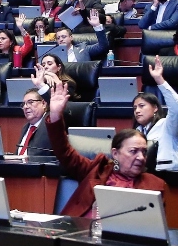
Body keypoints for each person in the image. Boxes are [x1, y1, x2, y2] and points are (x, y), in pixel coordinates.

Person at [45, 82, 168, 217]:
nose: (141, 157)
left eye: (144, 152)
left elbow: (151, 227)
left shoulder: (154, 185)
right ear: (115, 153)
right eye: (133, 151)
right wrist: (56, 114)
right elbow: (64, 152)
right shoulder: (96, 170)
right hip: (77, 231)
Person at [133, 57, 178, 168]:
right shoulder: (136, 132)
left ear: (155, 108)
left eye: (142, 106)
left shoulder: (167, 126)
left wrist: (159, 79)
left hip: (168, 175)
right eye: (134, 108)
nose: (137, 111)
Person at [15, 88, 52, 157]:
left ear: (43, 103)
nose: (25, 107)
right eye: (24, 104)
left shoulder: (49, 124)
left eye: (30, 102)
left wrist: (42, 86)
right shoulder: (25, 128)